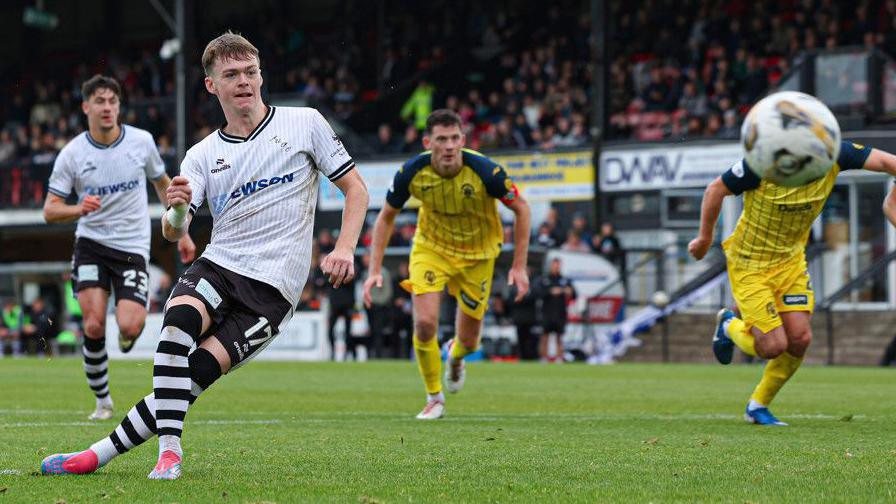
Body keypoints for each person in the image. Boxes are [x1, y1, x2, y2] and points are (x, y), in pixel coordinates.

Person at [41, 31, 368, 479]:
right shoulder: (202, 154)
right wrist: (175, 210)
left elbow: (356, 189)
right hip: (220, 264)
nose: (244, 81)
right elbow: (174, 232)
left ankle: (97, 454)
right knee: (175, 327)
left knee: (188, 380)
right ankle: (169, 452)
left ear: (261, 75)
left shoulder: (305, 123)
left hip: (273, 291)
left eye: (251, 72)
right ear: (212, 85)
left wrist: (345, 247)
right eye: (231, 74)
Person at [689, 140, 896, 426]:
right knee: (773, 346)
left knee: (799, 339)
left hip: (790, 261)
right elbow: (716, 189)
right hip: (749, 262)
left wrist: (892, 200)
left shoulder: (837, 152)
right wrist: (704, 239)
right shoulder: (761, 164)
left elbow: (889, 163)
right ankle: (728, 324)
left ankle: (757, 405)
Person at [42, 75, 197, 421]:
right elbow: (50, 210)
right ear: (86, 107)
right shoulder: (73, 154)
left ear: (119, 106)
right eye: (100, 101)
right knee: (94, 325)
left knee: (128, 325)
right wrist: (77, 209)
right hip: (91, 245)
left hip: (131, 248)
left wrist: (181, 231)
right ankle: (102, 401)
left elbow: (162, 185)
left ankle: (127, 340)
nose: (108, 107)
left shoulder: (141, 142)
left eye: (113, 101)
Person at [363, 109, 530, 420]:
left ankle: (455, 356)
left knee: (469, 341)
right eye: (442, 139)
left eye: (455, 138)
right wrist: (374, 270)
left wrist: (519, 267)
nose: (450, 146)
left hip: (477, 257)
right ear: (429, 142)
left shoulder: (486, 171)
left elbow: (521, 209)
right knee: (425, 323)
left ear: (463, 140)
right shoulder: (411, 172)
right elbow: (385, 217)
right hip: (432, 250)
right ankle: (434, 397)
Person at [538, 258, 576, 362]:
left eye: (558, 265)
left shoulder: (565, 280)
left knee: (559, 336)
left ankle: (559, 357)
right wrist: (551, 292)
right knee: (545, 336)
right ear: (551, 266)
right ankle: (543, 358)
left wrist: (568, 291)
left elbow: (574, 294)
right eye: (554, 265)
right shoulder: (545, 279)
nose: (556, 267)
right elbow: (539, 293)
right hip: (547, 312)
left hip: (560, 312)